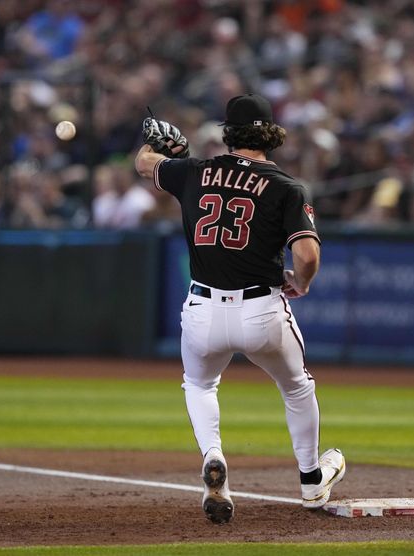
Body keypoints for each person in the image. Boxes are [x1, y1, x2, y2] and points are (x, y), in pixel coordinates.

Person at [134, 94, 345, 524]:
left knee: (199, 385)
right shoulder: (286, 187)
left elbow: (143, 164)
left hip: (202, 310)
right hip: (261, 310)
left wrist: (163, 149)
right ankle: (310, 481)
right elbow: (306, 255)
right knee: (297, 387)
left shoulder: (194, 170)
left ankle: (214, 457)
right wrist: (300, 283)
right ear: (271, 133)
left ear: (228, 132)